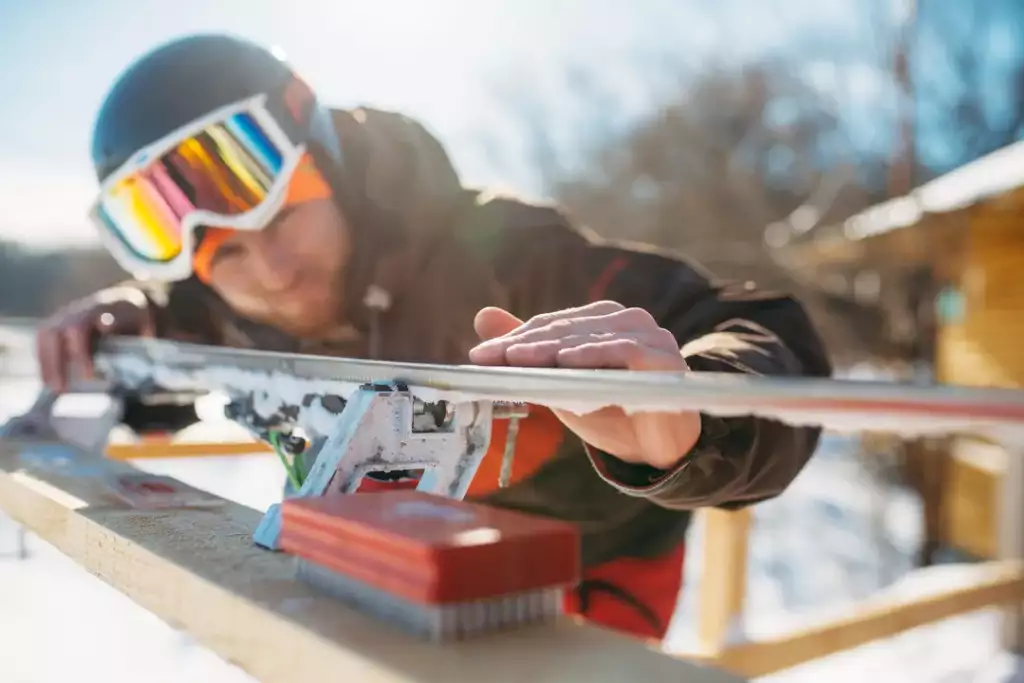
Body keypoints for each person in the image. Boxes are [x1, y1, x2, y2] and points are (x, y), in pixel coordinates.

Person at [37, 34, 832, 643]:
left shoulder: (507, 254)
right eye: (231, 254)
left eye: (282, 218)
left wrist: (692, 417)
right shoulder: (217, 308)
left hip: (581, 573)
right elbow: (175, 357)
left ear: (332, 163)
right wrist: (124, 328)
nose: (272, 272)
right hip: (380, 571)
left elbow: (762, 335)